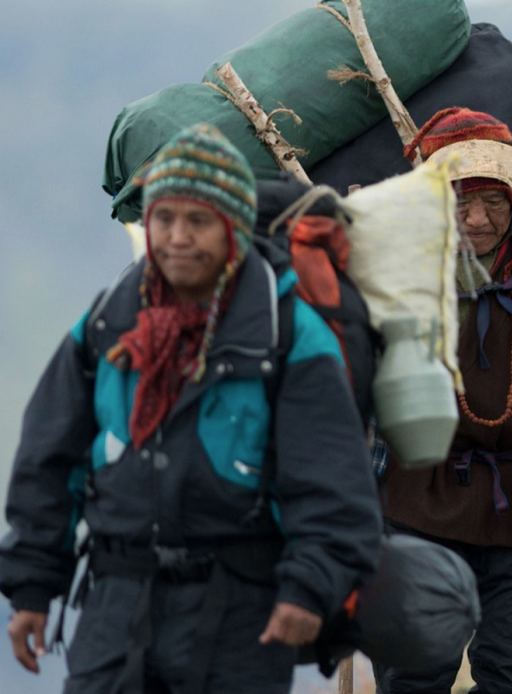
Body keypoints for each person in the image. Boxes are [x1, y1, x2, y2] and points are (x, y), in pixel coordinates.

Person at [0, 124, 382, 694]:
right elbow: (48, 460)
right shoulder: (109, 323)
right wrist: (31, 588)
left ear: (232, 228)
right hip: (115, 604)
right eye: (164, 219)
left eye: (198, 221)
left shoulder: (285, 333)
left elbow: (332, 479)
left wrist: (308, 588)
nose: (177, 238)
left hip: (240, 611)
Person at [373, 108, 512, 694]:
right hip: (419, 495)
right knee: (414, 670)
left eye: (494, 202)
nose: (478, 219)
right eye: (461, 202)